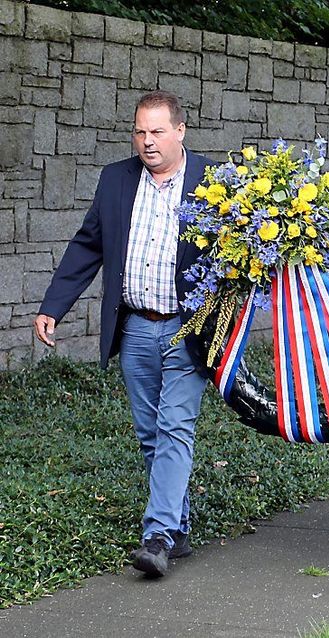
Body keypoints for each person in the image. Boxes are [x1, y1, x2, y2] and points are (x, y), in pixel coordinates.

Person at [34, 91, 215, 578]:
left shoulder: (214, 183)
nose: (147, 141)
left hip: (187, 329)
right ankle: (177, 529)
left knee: (175, 425)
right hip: (135, 326)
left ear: (180, 131)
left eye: (157, 131)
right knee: (150, 434)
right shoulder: (116, 179)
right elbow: (89, 243)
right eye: (140, 131)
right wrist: (54, 306)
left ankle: (155, 536)